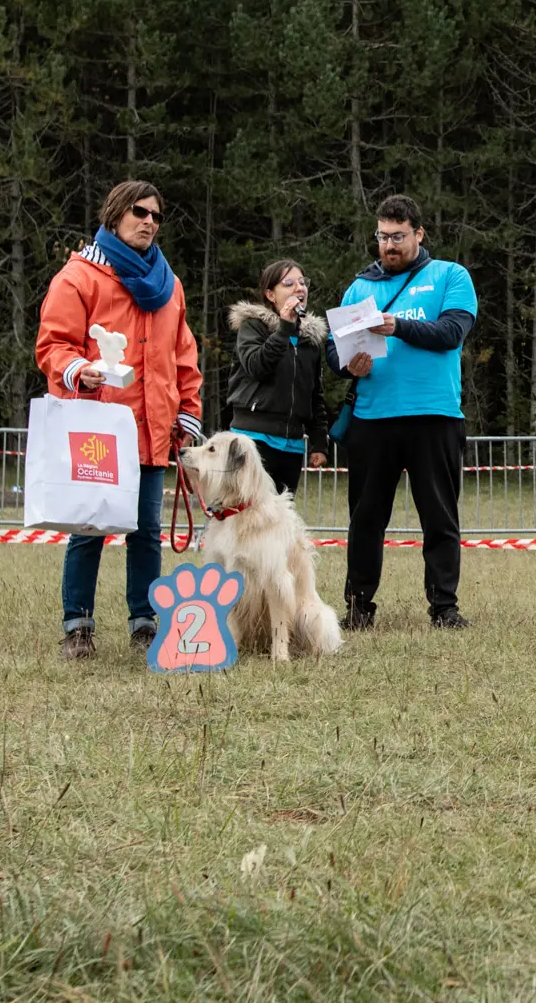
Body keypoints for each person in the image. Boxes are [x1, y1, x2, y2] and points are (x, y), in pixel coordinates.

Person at [35, 181, 204, 660]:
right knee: (89, 528)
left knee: (146, 530)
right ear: (114, 215)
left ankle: (145, 624)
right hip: (99, 426)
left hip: (151, 428)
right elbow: (52, 345)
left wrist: (187, 410)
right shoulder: (79, 277)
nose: (150, 220)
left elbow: (183, 355)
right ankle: (78, 627)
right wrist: (78, 370)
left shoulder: (169, 287)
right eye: (140, 211)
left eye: (156, 215)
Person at [328, 194, 478, 631]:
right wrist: (348, 364)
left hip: (434, 415)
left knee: (439, 516)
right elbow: (337, 356)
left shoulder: (450, 275)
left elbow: (451, 332)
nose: (389, 245)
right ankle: (358, 607)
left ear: (419, 234)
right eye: (382, 237)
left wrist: (398, 326)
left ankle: (444, 607)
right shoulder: (360, 287)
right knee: (366, 518)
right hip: (373, 419)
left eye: (397, 237)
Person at [226, 260, 330, 495]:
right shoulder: (253, 327)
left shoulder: (309, 341)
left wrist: (319, 443)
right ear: (270, 294)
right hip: (253, 439)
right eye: (289, 283)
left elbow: (315, 395)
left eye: (303, 283)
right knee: (247, 514)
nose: (299, 288)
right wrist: (283, 327)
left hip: (292, 444)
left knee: (279, 518)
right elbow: (257, 367)